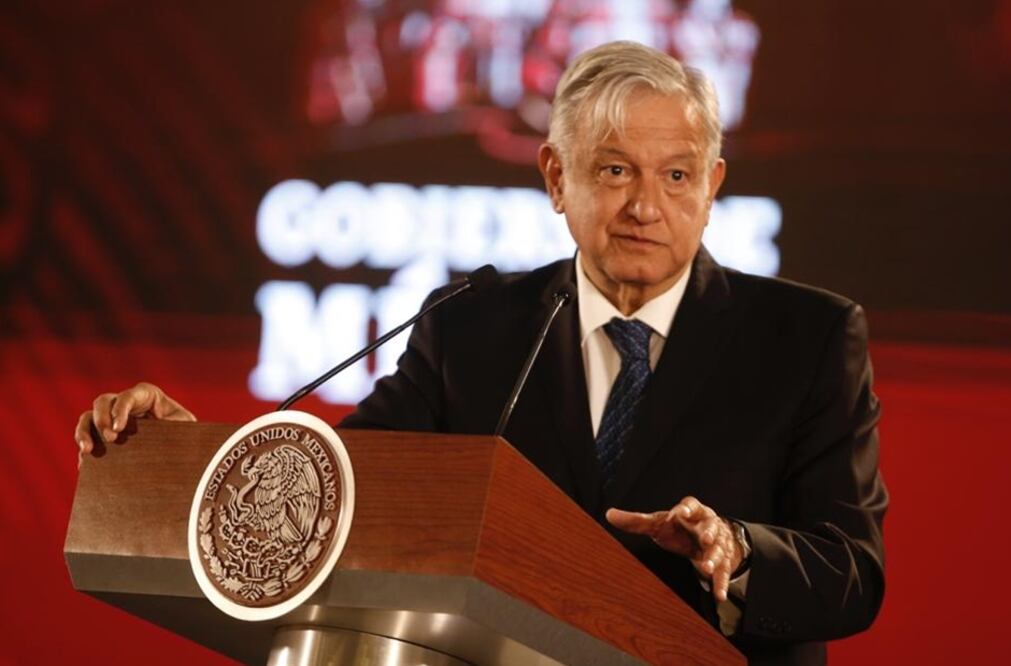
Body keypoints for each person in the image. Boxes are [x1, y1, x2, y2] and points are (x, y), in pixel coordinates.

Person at [75, 41, 886, 665]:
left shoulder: (808, 338)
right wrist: (197, 460)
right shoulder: (472, 325)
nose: (646, 205)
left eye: (676, 176)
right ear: (555, 177)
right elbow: (348, 490)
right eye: (615, 169)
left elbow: (853, 572)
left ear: (712, 187)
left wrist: (738, 553)